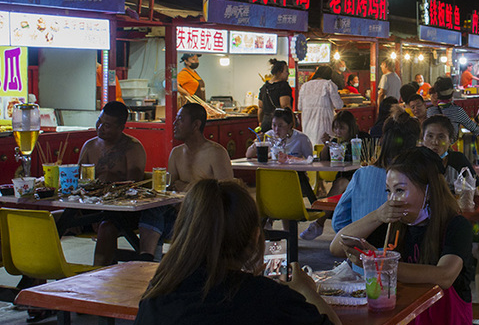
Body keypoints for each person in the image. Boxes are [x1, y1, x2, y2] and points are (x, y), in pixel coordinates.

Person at [123, 179, 344, 325]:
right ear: (256, 236)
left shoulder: (160, 287)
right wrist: (306, 289)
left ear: (184, 231)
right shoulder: (258, 296)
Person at [328, 147, 474, 325]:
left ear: (428, 191)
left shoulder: (455, 226)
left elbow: (445, 275)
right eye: (389, 191)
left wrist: (381, 263)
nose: (393, 199)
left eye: (400, 190)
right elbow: (337, 246)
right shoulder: (394, 225)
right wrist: (377, 215)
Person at [138, 103, 233, 260]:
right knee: (152, 210)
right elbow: (171, 189)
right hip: (179, 213)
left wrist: (187, 186)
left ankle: (151, 259)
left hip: (204, 217)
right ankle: (148, 261)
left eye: (180, 120)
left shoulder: (216, 153)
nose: (174, 124)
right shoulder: (176, 153)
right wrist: (193, 187)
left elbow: (225, 193)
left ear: (196, 125)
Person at [78, 101, 146, 266]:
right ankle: (35, 277)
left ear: (121, 127)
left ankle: (99, 276)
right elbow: (78, 182)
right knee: (50, 221)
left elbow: (133, 187)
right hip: (90, 206)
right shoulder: (90, 146)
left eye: (107, 125)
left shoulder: (132, 148)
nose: (100, 128)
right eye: (99, 121)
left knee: (106, 226)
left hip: (123, 211)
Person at [331, 113, 422, 234]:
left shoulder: (362, 174)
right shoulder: (420, 177)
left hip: (362, 249)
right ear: (416, 145)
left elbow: (338, 222)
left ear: (382, 141)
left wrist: (359, 233)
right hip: (401, 250)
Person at [300, 110, 368, 241]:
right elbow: (324, 160)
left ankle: (319, 223)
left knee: (341, 183)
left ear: (351, 127)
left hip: (360, 179)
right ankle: (319, 223)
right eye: (335, 128)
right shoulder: (336, 142)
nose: (338, 131)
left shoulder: (362, 139)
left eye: (341, 128)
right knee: (341, 183)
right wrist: (327, 145)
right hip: (343, 179)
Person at [246, 108, 318, 206]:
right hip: (273, 177)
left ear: (289, 125)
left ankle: (272, 218)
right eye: (274, 125)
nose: (276, 129)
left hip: (295, 178)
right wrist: (257, 143)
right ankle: (269, 218)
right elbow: (248, 155)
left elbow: (310, 161)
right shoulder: (269, 136)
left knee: (281, 198)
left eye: (280, 126)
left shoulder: (301, 139)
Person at [420, 115, 475, 192]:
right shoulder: (416, 162)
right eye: (430, 136)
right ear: (422, 139)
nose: (435, 142)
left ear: (450, 140)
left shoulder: (459, 160)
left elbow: (475, 195)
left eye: (441, 137)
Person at [298, 65, 344, 147]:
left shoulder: (304, 86)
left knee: (310, 148)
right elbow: (339, 105)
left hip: (308, 124)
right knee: (325, 147)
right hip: (325, 124)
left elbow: (300, 107)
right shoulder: (329, 85)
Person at [258, 59, 293, 133]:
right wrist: (292, 122)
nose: (288, 74)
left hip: (266, 123)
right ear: (279, 72)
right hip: (279, 125)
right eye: (286, 71)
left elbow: (260, 107)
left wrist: (260, 122)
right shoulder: (283, 86)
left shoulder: (264, 87)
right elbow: (285, 105)